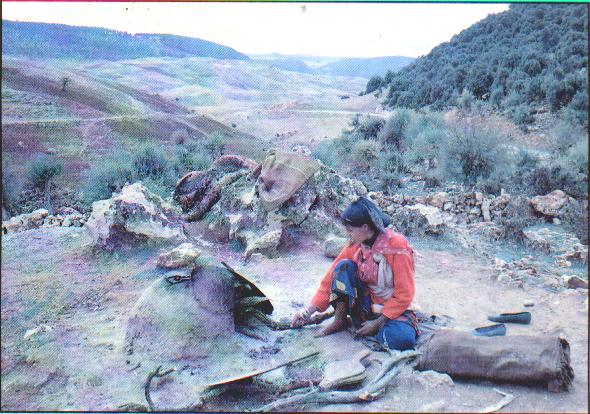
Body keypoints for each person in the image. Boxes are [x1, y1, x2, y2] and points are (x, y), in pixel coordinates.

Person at [291, 196, 418, 351]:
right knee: (343, 267)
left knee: (402, 341)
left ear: (365, 227)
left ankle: (375, 326)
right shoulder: (356, 245)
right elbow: (329, 279)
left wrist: (377, 323)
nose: (348, 234)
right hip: (366, 305)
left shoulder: (397, 247)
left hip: (392, 309)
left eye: (350, 230)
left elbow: (404, 293)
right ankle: (340, 321)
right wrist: (306, 312)